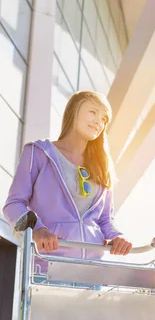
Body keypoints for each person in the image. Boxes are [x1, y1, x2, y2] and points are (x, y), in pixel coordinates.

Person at [3, 91, 132, 275]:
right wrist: (38, 230)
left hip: (92, 273)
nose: (98, 122)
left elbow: (105, 220)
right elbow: (13, 205)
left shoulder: (102, 166)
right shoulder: (39, 153)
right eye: (93, 112)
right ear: (74, 111)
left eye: (104, 119)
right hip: (47, 267)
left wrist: (117, 237)